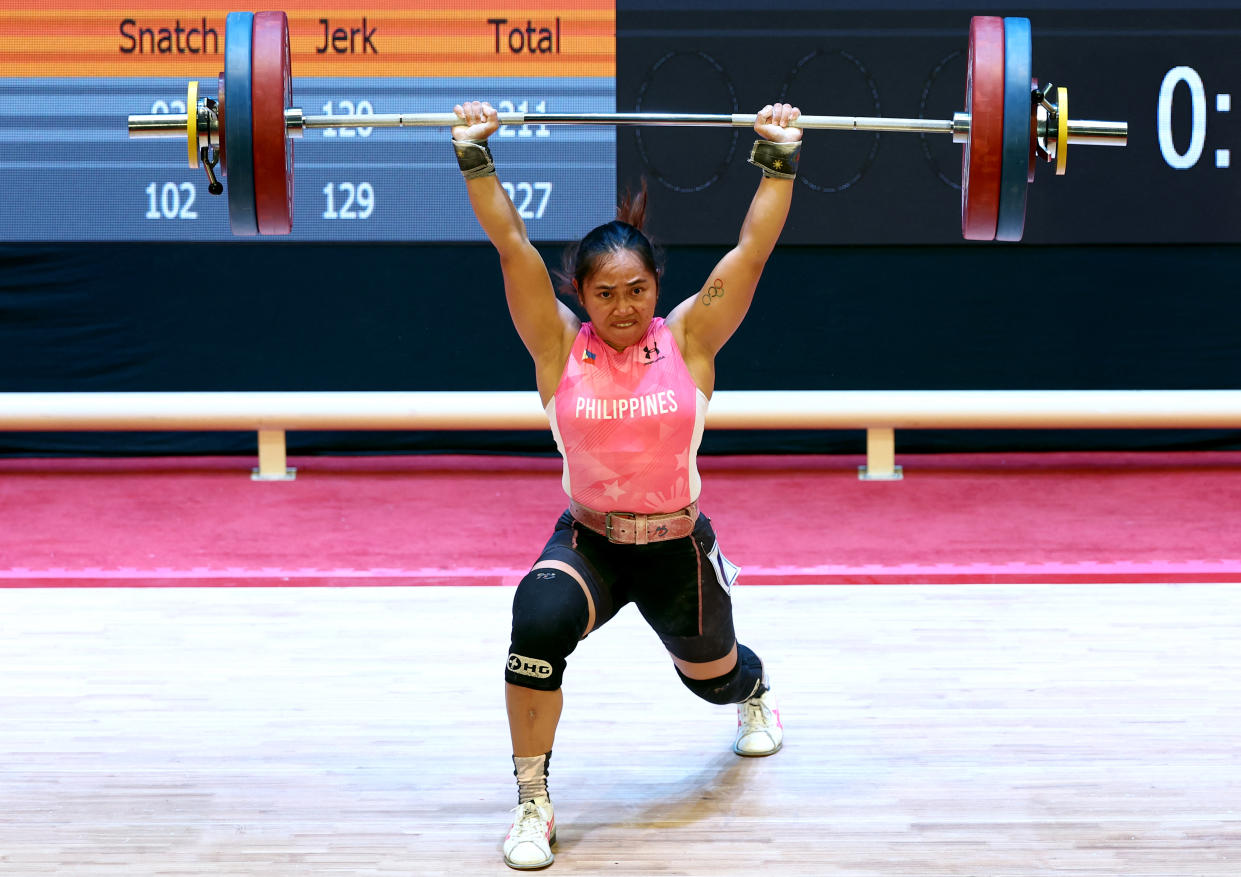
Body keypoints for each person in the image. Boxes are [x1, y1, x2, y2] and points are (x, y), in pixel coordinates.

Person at [451, 99, 802, 870]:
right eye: (604, 293)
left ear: (654, 285)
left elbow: (750, 250)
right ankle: (533, 802)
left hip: (677, 547)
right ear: (579, 293)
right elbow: (511, 248)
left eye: (636, 290)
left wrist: (777, 155)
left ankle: (752, 689)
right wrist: (476, 156)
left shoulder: (689, 339)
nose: (622, 307)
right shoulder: (556, 349)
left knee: (711, 679)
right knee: (535, 621)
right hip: (591, 543)